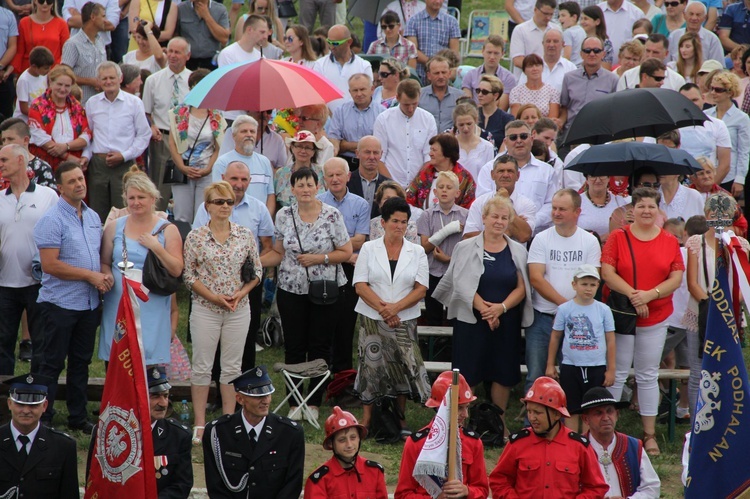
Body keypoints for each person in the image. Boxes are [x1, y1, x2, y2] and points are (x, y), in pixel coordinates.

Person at [601, 187, 685, 457]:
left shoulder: (670, 240)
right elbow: (607, 271)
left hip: (657, 314)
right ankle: (607, 434)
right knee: (618, 374)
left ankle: (649, 435)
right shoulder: (618, 237)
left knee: (648, 374)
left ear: (659, 211)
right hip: (624, 315)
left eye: (651, 206)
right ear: (632, 210)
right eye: (641, 206)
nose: (646, 211)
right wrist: (635, 297)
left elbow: (676, 277)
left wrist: (650, 295)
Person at [434, 195, 532, 423]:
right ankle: (462, 422)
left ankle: (498, 425)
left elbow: (522, 286)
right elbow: (459, 281)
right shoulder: (464, 246)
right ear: (484, 218)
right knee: (468, 370)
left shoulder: (518, 250)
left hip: (506, 320)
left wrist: (501, 308)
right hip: (471, 319)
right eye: (495, 216)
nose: (499, 221)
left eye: (504, 218)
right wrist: (485, 310)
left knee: (503, 370)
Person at [266, 168, 353, 420]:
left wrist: (319, 258)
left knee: (320, 345)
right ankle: (294, 403)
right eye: (300, 185)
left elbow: (345, 251)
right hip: (290, 289)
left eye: (309, 184)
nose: (305, 189)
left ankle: (313, 402)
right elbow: (278, 251)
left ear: (318, 187)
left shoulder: (332, 215)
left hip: (325, 290)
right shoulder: (284, 215)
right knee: (294, 346)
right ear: (292, 189)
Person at [34, 161, 111, 432]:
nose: (79, 184)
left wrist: (103, 272)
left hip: (89, 304)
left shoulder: (92, 217)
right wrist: (90, 277)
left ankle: (77, 419)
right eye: (72, 181)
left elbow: (98, 256)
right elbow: (50, 265)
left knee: (81, 363)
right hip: (59, 304)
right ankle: (42, 419)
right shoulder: (51, 219)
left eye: (81, 178)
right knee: (51, 363)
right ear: (60, 187)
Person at [183, 180, 262, 444]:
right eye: (219, 202)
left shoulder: (245, 234)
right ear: (207, 206)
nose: (225, 206)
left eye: (229, 201)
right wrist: (214, 298)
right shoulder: (195, 237)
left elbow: (257, 272)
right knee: (202, 366)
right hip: (206, 308)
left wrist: (240, 294)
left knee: (232, 367)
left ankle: (229, 420)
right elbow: (189, 275)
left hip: (239, 308)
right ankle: (199, 424)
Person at [352, 196, 430, 431]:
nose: (399, 226)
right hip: (372, 318)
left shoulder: (417, 252)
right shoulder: (368, 248)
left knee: (403, 366)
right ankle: (366, 419)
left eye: (404, 222)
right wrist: (384, 310)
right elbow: (360, 285)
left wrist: (395, 309)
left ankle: (400, 417)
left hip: (404, 319)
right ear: (383, 223)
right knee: (370, 366)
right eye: (395, 221)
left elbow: (421, 289)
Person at [193, 161, 274, 371]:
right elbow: (196, 245)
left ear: (249, 181)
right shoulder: (205, 208)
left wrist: (245, 270)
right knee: (212, 341)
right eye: (234, 179)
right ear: (223, 177)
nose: (239, 184)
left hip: (246, 285)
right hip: (211, 285)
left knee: (245, 339)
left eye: (244, 179)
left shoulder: (259, 208)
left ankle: (244, 393)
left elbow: (267, 247)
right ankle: (215, 394)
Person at [99, 171, 182, 365]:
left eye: (141, 197)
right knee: (118, 360)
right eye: (131, 198)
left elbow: (177, 269)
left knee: (149, 362)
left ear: (153, 198)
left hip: (151, 301)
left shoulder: (168, 229)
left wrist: (156, 248)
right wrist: (107, 275)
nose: (136, 202)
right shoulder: (114, 227)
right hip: (119, 301)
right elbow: (104, 262)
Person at [525, 189, 602, 396]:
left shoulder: (589, 241)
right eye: (554, 208)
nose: (556, 213)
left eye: (562, 209)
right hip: (542, 318)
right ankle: (532, 425)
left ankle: (569, 425)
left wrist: (569, 312)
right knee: (536, 376)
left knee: (573, 377)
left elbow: (591, 280)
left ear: (577, 211)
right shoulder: (541, 239)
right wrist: (565, 306)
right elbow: (536, 278)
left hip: (578, 320)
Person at [684, 193, 749, 424]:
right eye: (714, 214)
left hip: (730, 313)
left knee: (730, 369)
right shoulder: (695, 242)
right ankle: (696, 425)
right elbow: (692, 282)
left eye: (724, 214)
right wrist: (712, 306)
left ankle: (726, 420)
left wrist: (728, 305)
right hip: (702, 312)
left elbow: (743, 280)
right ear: (707, 215)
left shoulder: (739, 244)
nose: (719, 218)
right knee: (698, 371)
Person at [489, 376, 609, 498]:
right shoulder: (517, 443)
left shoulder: (579, 446)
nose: (531, 418)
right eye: (529, 411)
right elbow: (499, 481)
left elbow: (596, 488)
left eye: (537, 412)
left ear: (557, 414)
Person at [86, 366, 194, 498]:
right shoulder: (104, 431)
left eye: (165, 396)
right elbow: (94, 479)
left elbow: (181, 485)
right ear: (137, 397)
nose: (163, 403)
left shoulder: (178, 436)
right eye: (155, 396)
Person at [203, 366, 305, 499]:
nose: (266, 401)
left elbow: (292, 485)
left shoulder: (290, 433)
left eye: (267, 394)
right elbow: (215, 486)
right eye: (258, 396)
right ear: (240, 399)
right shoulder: (218, 432)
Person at [0, 144, 58, 375]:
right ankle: (4, 402)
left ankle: (37, 397)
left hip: (39, 283)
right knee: (3, 342)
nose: (1, 164)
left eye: (4, 160)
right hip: (4, 283)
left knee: (41, 343)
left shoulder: (48, 196)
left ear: (21, 161)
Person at [395, 372, 489, 499]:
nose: (465, 414)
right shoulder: (416, 443)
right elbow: (403, 494)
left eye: (467, 407)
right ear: (442, 408)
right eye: (459, 408)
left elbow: (482, 490)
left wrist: (467, 491)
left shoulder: (473, 442)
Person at [545, 264, 616, 431]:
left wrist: (611, 369)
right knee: (571, 407)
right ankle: (572, 439)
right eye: (584, 284)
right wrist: (550, 364)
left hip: (596, 366)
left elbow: (611, 340)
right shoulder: (564, 309)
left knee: (591, 407)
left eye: (592, 285)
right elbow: (555, 336)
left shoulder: (604, 310)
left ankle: (588, 441)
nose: (588, 289)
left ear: (598, 286)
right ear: (574, 285)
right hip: (571, 365)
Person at [317, 158, 370, 375]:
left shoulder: (361, 204)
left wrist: (336, 245)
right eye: (330, 175)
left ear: (348, 176)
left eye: (339, 174)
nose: (335, 179)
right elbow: (318, 241)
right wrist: (345, 246)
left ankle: (343, 377)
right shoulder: (317, 202)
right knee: (323, 323)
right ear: (324, 179)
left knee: (346, 324)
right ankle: (322, 375)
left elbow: (361, 239)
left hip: (350, 269)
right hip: (323, 268)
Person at [84, 61, 151, 222]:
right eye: (104, 78)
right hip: (98, 165)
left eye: (112, 78)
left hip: (124, 165)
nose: (108, 82)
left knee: (124, 212)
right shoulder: (92, 103)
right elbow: (88, 134)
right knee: (96, 214)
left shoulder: (134, 102)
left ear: (120, 78)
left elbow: (143, 135)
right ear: (98, 81)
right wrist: (86, 157)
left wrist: (124, 155)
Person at [0, 374, 79, 498]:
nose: (26, 411)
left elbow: (69, 494)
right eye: (20, 404)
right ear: (9, 404)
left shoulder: (63, 447)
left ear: (45, 406)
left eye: (33, 405)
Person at [577, 386, 661, 498]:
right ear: (586, 419)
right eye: (598, 413)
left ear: (617, 415)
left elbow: (652, 488)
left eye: (609, 411)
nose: (606, 417)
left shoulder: (633, 446)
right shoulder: (576, 448)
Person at [168, 69, 226, 223]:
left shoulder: (217, 114)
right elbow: (172, 143)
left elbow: (218, 146)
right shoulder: (178, 112)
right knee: (182, 216)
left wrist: (208, 169)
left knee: (204, 215)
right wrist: (182, 167)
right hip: (183, 170)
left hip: (206, 171)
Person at [141, 36, 191, 211]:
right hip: (161, 139)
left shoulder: (193, 81)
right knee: (159, 187)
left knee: (183, 189)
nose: (172, 55)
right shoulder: (153, 80)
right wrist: (152, 126)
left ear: (188, 55)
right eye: (170, 51)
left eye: (178, 52)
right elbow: (146, 112)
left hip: (186, 140)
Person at [416, 171, 468, 326]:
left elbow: (469, 249)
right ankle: (434, 347)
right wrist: (447, 231)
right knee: (433, 317)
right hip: (433, 272)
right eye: (441, 187)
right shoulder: (427, 215)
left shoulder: (465, 215)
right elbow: (424, 247)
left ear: (457, 192)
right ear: (435, 191)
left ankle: (452, 349)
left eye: (449, 187)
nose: (444, 190)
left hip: (456, 272)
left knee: (455, 317)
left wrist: (449, 259)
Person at [305, 407, 387, 499]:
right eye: (342, 440)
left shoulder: (374, 472)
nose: (349, 444)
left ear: (359, 438)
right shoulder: (320, 480)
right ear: (331, 443)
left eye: (353, 437)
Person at [373, 79, 438, 187]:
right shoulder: (383, 119)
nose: (411, 108)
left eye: (414, 104)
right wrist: (393, 186)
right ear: (397, 97)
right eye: (406, 104)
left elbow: (429, 157)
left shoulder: (428, 119)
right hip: (390, 184)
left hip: (419, 184)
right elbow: (380, 158)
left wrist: (414, 186)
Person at [28, 65, 91, 172]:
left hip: (74, 164)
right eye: (59, 84)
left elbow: (86, 135)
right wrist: (67, 157)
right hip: (46, 163)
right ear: (50, 83)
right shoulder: (38, 106)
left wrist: (66, 146)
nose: (63, 89)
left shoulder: (77, 107)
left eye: (67, 86)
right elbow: (39, 137)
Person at [212, 115, 275, 216]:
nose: (249, 135)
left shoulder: (265, 162)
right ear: (234, 136)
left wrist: (266, 220)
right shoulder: (222, 163)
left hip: (259, 222)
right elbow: (217, 195)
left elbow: (270, 195)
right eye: (244, 131)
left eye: (252, 131)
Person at [464, 155, 536, 242]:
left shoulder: (527, 204)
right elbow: (467, 237)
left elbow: (524, 236)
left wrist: (507, 201)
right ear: (492, 175)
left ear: (518, 175)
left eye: (510, 171)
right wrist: (507, 231)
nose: (505, 175)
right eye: (501, 171)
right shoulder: (479, 202)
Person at [559, 36, 619, 136]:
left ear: (603, 54)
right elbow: (564, 107)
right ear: (581, 54)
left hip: (599, 134)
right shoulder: (569, 78)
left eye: (596, 50)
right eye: (587, 51)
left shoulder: (613, 80)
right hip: (572, 133)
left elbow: (615, 111)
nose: (592, 54)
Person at [704, 71, 750, 195]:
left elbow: (744, 151)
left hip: (730, 176)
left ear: (730, 92)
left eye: (718, 90)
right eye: (712, 88)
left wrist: (740, 179)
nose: (713, 92)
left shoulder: (742, 118)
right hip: (707, 173)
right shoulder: (705, 115)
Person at [679, 82, 732, 184]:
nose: (691, 104)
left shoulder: (718, 124)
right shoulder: (671, 127)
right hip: (680, 186)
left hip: (709, 184)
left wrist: (709, 187)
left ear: (703, 98)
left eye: (694, 100)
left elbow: (725, 164)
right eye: (686, 101)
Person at [329, 74, 384, 170]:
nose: (359, 94)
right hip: (346, 163)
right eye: (355, 90)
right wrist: (366, 146)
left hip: (373, 163)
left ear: (372, 89)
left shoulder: (382, 113)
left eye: (362, 89)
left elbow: (381, 145)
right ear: (350, 92)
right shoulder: (340, 111)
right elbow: (334, 141)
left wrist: (346, 145)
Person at [406, 133, 476, 209]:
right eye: (430, 149)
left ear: (447, 153)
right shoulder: (424, 172)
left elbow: (468, 208)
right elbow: (409, 199)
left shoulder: (465, 178)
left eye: (434, 150)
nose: (430, 154)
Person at [313, 24, 373, 113]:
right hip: (327, 120)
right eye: (329, 42)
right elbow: (317, 96)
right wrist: (330, 118)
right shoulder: (319, 65)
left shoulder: (364, 65)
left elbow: (367, 96)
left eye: (336, 43)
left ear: (349, 42)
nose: (331, 46)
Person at [218, 15, 266, 124]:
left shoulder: (260, 56)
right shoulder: (228, 53)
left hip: (252, 117)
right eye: (262, 32)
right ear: (249, 29)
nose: (265, 36)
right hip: (230, 115)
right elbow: (229, 85)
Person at [60, 1, 108, 104]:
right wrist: (90, 81)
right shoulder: (73, 44)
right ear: (93, 17)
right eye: (103, 16)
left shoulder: (101, 42)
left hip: (99, 103)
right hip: (79, 105)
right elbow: (63, 74)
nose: (106, 20)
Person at [404, 0, 460, 82]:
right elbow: (413, 50)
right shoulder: (413, 21)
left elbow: (454, 53)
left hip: (443, 77)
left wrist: (439, 67)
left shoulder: (452, 22)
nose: (438, 1)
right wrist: (432, 63)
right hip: (420, 75)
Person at [12, 0, 69, 76]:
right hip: (30, 73)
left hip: (54, 74)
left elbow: (66, 52)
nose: (45, 3)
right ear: (35, 1)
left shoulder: (62, 24)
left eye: (49, 1)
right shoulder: (24, 23)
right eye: (41, 1)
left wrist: (56, 69)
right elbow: (19, 52)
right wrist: (13, 71)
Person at [461, 35, 516, 111]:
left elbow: (502, 109)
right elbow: (467, 105)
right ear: (483, 51)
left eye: (496, 53)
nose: (492, 57)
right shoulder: (470, 75)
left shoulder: (509, 78)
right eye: (489, 52)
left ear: (502, 54)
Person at [0, 117, 56, 190]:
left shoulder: (42, 168)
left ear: (26, 140)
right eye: (3, 140)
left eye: (10, 139)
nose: (6, 143)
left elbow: (49, 198)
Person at [509, 0, 560, 77]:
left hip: (551, 79)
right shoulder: (520, 30)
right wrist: (542, 69)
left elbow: (561, 56)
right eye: (545, 14)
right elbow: (518, 60)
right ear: (535, 10)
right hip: (526, 81)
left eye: (551, 14)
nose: (548, 18)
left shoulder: (557, 29)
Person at [275, 130, 326, 207]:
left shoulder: (322, 172)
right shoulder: (281, 173)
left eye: (308, 148)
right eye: (299, 146)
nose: (303, 151)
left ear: (313, 152)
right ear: (292, 148)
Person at [176, 0, 229, 70]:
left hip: (211, 61)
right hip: (187, 61)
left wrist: (206, 16)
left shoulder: (220, 10)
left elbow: (224, 39)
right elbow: (175, 35)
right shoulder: (181, 9)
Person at [578, 174, 631, 243]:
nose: (598, 180)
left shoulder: (619, 201)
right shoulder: (577, 201)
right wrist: (600, 239)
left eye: (602, 176)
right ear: (587, 179)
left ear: (609, 178)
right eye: (593, 176)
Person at [347, 136, 391, 218]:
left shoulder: (389, 186)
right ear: (357, 154)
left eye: (375, 153)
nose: (371, 157)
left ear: (381, 154)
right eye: (367, 152)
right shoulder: (346, 182)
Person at [418, 55, 464, 132]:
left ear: (449, 73)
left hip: (452, 141)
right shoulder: (419, 95)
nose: (441, 76)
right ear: (429, 76)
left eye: (444, 72)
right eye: (436, 73)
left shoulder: (460, 96)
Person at [510, 53, 561, 119]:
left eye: (537, 65)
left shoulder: (553, 92)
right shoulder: (516, 91)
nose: (534, 69)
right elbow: (516, 117)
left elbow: (552, 119)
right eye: (530, 66)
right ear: (524, 71)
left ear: (542, 68)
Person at [453, 103, 495, 180]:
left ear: (475, 120)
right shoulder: (449, 145)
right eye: (461, 125)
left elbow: (489, 176)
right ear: (456, 124)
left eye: (469, 124)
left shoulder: (487, 147)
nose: (465, 128)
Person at [597, 0, 644, 64]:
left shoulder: (636, 13)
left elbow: (640, 44)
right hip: (599, 66)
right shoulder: (597, 11)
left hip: (627, 66)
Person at [476, 74, 514, 148]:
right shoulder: (472, 115)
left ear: (495, 95)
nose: (480, 94)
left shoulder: (506, 119)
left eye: (484, 92)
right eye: (478, 91)